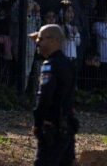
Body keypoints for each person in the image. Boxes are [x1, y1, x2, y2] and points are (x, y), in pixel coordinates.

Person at [29, 24, 78, 166]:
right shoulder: (69, 64)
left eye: (40, 39)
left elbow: (45, 96)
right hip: (68, 126)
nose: (37, 42)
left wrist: (38, 123)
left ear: (53, 41)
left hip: (52, 127)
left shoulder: (49, 65)